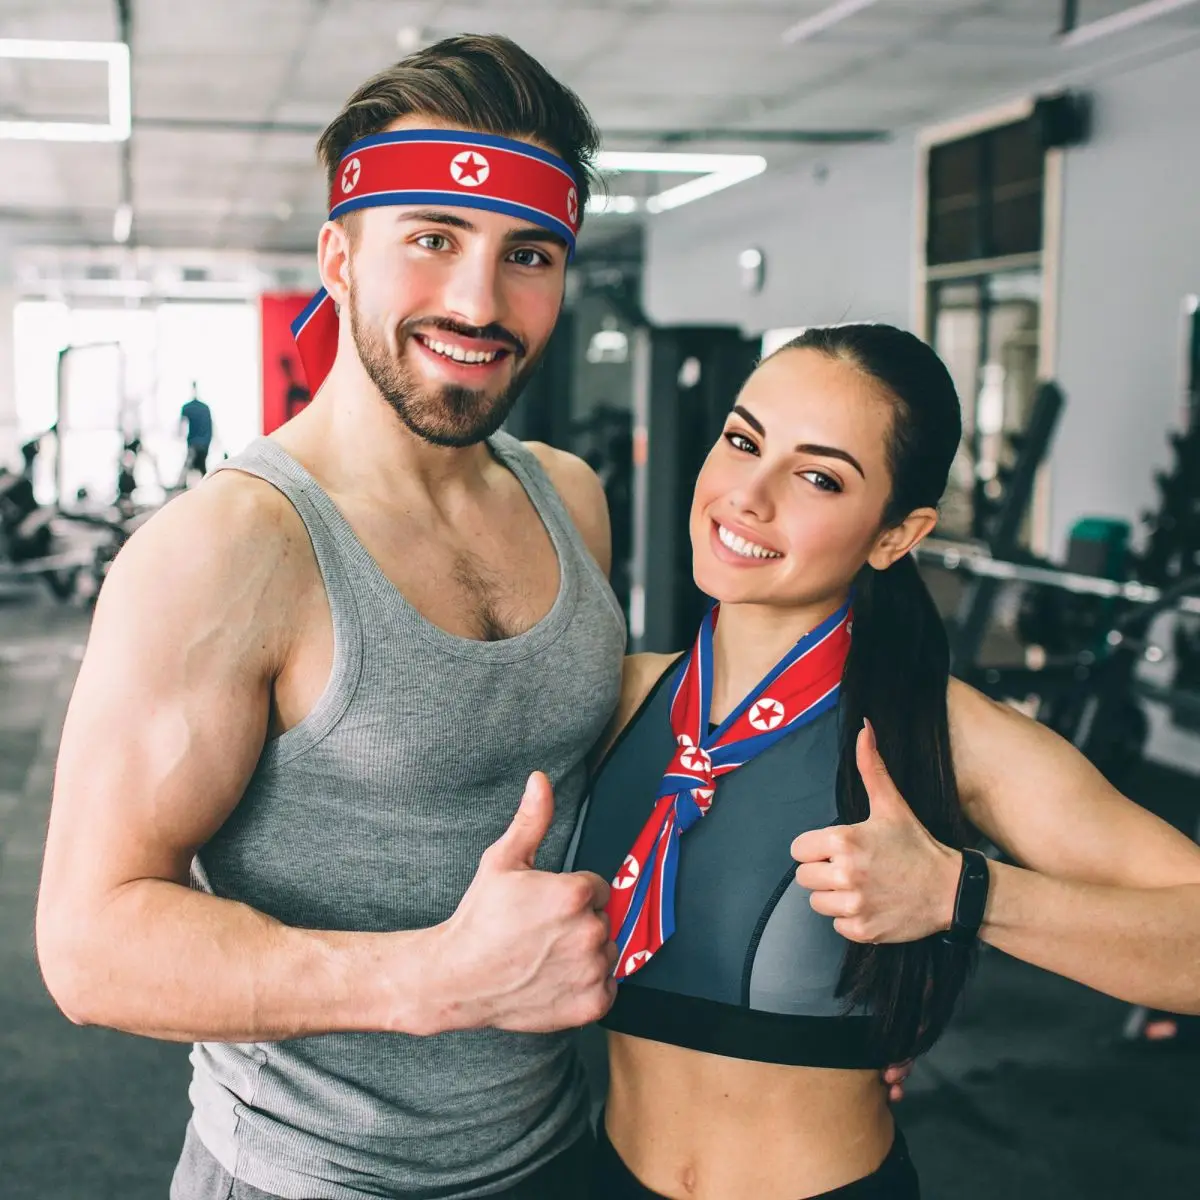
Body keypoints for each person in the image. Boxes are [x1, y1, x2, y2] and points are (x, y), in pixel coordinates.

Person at [36, 35, 627, 1199]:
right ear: (338, 259)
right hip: (312, 1179)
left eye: (529, 255)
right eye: (432, 240)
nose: (479, 300)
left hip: (563, 1149)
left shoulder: (570, 499)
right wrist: (434, 981)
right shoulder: (228, 549)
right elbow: (89, 944)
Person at [571, 323, 1200, 1199]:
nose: (748, 496)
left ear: (896, 535)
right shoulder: (620, 701)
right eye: (743, 441)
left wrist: (962, 894)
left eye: (819, 476)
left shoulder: (941, 732)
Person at [179, 382, 214, 482]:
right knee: (202, 469)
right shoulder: (205, 408)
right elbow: (211, 426)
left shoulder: (187, 407)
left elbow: (181, 427)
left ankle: (182, 488)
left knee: (189, 469)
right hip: (204, 443)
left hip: (194, 443)